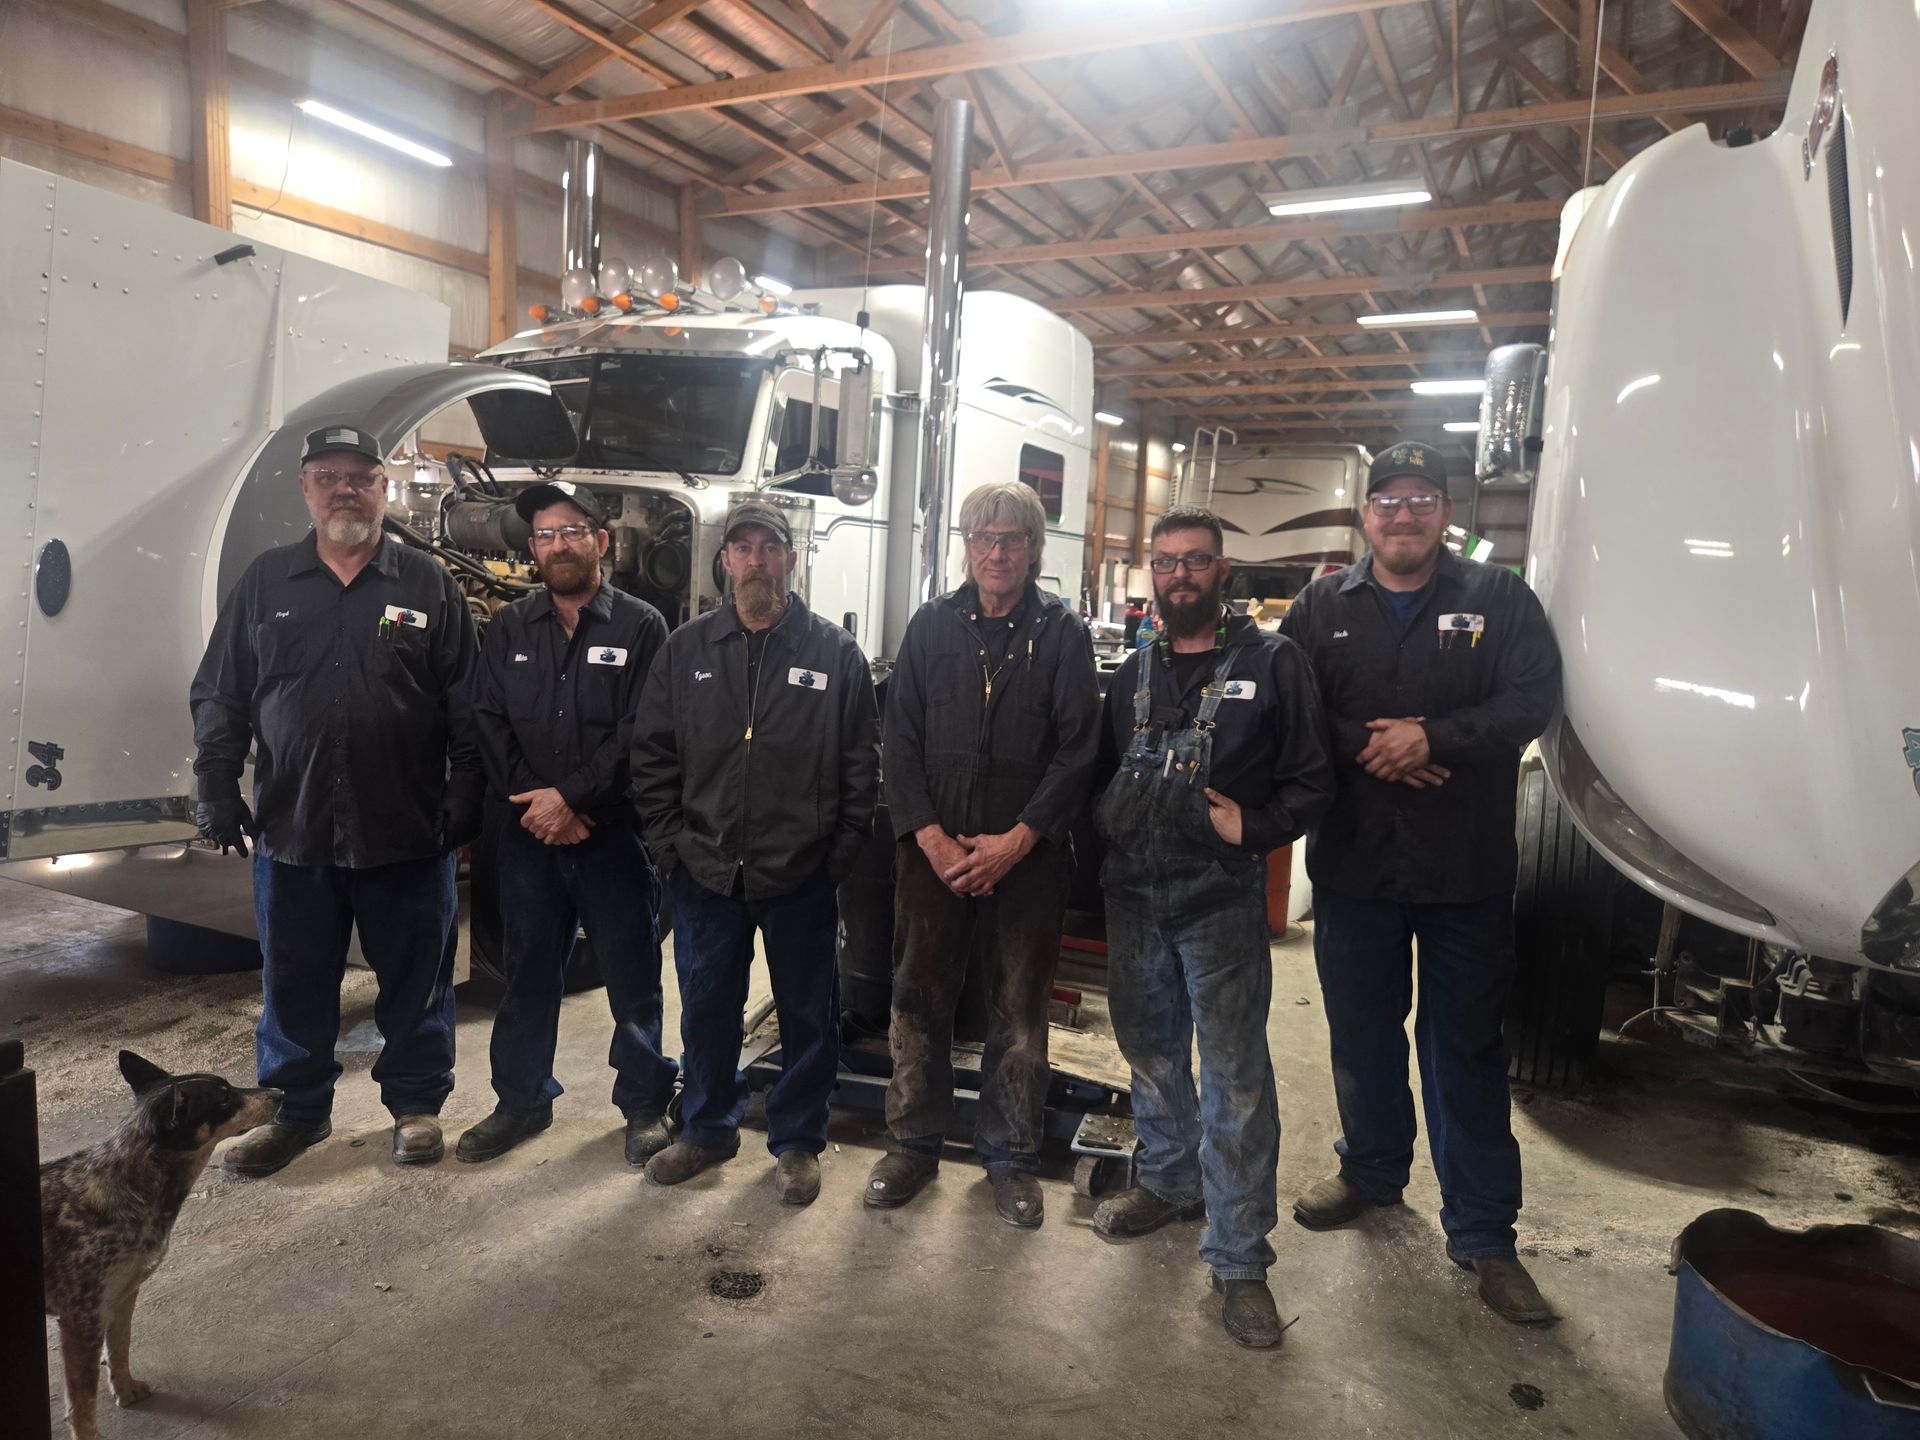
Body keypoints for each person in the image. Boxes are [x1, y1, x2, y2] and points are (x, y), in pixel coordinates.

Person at [1279, 440, 1563, 1326]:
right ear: (1364, 516)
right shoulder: (1320, 605)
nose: (1403, 515)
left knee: (1465, 1049)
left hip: (1465, 871)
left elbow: (1535, 699)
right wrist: (1376, 742)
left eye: (1421, 501)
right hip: (1357, 867)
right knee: (1361, 1034)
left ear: (1447, 513)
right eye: (1387, 501)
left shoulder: (1498, 599)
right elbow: (1288, 711)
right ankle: (1371, 1172)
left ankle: (1484, 1234)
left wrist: (1434, 737)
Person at [191, 424, 484, 1177]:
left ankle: (415, 1106)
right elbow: (222, 691)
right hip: (295, 828)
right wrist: (216, 781)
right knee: (294, 981)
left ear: (384, 488)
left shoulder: (427, 584)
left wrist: (466, 794)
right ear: (306, 489)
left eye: (361, 476)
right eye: (328, 476)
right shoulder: (266, 581)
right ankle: (295, 1113)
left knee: (416, 981)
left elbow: (468, 704)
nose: (344, 489)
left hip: (408, 827)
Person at [1090, 507, 1334, 1350]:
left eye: (1195, 562)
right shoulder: (1132, 675)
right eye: (1165, 563)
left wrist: (1256, 829)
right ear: (1150, 575)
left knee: (1235, 1076)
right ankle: (1167, 1182)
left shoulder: (1274, 665)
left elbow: (1314, 783)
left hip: (1220, 901)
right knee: (1152, 1054)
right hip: (1135, 898)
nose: (1180, 576)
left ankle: (1239, 1260)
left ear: (1222, 571)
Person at [865, 482, 1100, 1228]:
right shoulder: (932, 627)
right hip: (932, 856)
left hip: (1027, 860)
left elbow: (1079, 751)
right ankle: (912, 1145)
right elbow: (896, 743)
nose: (997, 552)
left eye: (1012, 539)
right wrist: (929, 837)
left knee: (1018, 1011)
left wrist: (1018, 839)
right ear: (966, 546)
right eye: (983, 538)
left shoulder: (1062, 633)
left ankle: (1012, 1158)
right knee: (918, 999)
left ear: (1034, 548)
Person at [631, 500, 879, 1205]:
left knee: (809, 1011)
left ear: (792, 559)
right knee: (708, 1007)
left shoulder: (833, 653)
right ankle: (707, 1129)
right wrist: (670, 845)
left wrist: (838, 855)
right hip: (706, 870)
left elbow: (863, 765)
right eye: (742, 549)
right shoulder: (686, 651)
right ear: (726, 562)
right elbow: (652, 755)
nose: (756, 560)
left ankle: (798, 1141)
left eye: (770, 547)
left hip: (801, 872)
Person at [460, 481, 677, 1167]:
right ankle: (521, 1101)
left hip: (612, 835)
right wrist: (539, 802)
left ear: (601, 542)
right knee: (526, 971)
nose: (559, 546)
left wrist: (574, 801)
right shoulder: (509, 627)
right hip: (529, 836)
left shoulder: (643, 626)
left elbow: (643, 730)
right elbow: (487, 722)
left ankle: (643, 1106)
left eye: (573, 532)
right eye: (546, 536)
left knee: (632, 973)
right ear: (532, 550)